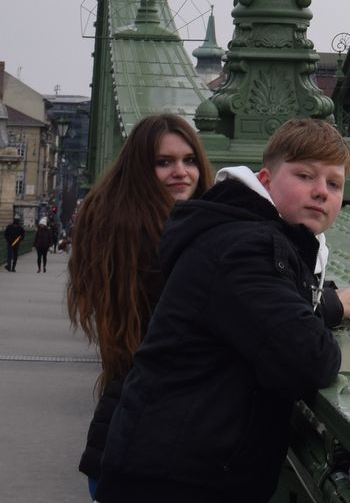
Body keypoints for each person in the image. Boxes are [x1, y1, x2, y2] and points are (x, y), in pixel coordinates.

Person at [97, 117, 350, 503]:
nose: (320, 191)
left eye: (334, 184)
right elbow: (309, 358)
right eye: (305, 176)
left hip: (174, 467)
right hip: (179, 481)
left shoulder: (243, 232)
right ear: (265, 180)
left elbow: (264, 324)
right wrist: (325, 313)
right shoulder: (246, 249)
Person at [68, 113, 215, 495]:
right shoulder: (164, 243)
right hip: (156, 448)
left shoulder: (120, 229)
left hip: (120, 437)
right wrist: (324, 305)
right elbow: (235, 310)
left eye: (189, 160)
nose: (181, 172)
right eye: (164, 162)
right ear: (140, 171)